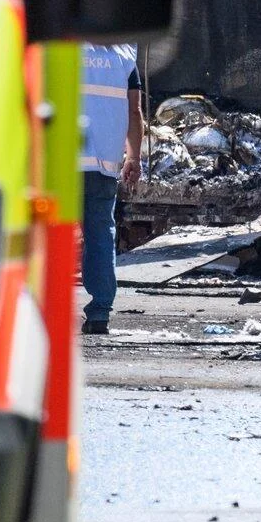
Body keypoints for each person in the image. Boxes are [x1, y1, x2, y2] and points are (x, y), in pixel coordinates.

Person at [79, 42, 144, 336]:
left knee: (49, 234)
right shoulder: (126, 56)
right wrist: (133, 157)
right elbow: (134, 112)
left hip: (61, 160)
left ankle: (42, 310)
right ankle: (99, 312)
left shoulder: (64, 44)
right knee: (101, 233)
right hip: (104, 162)